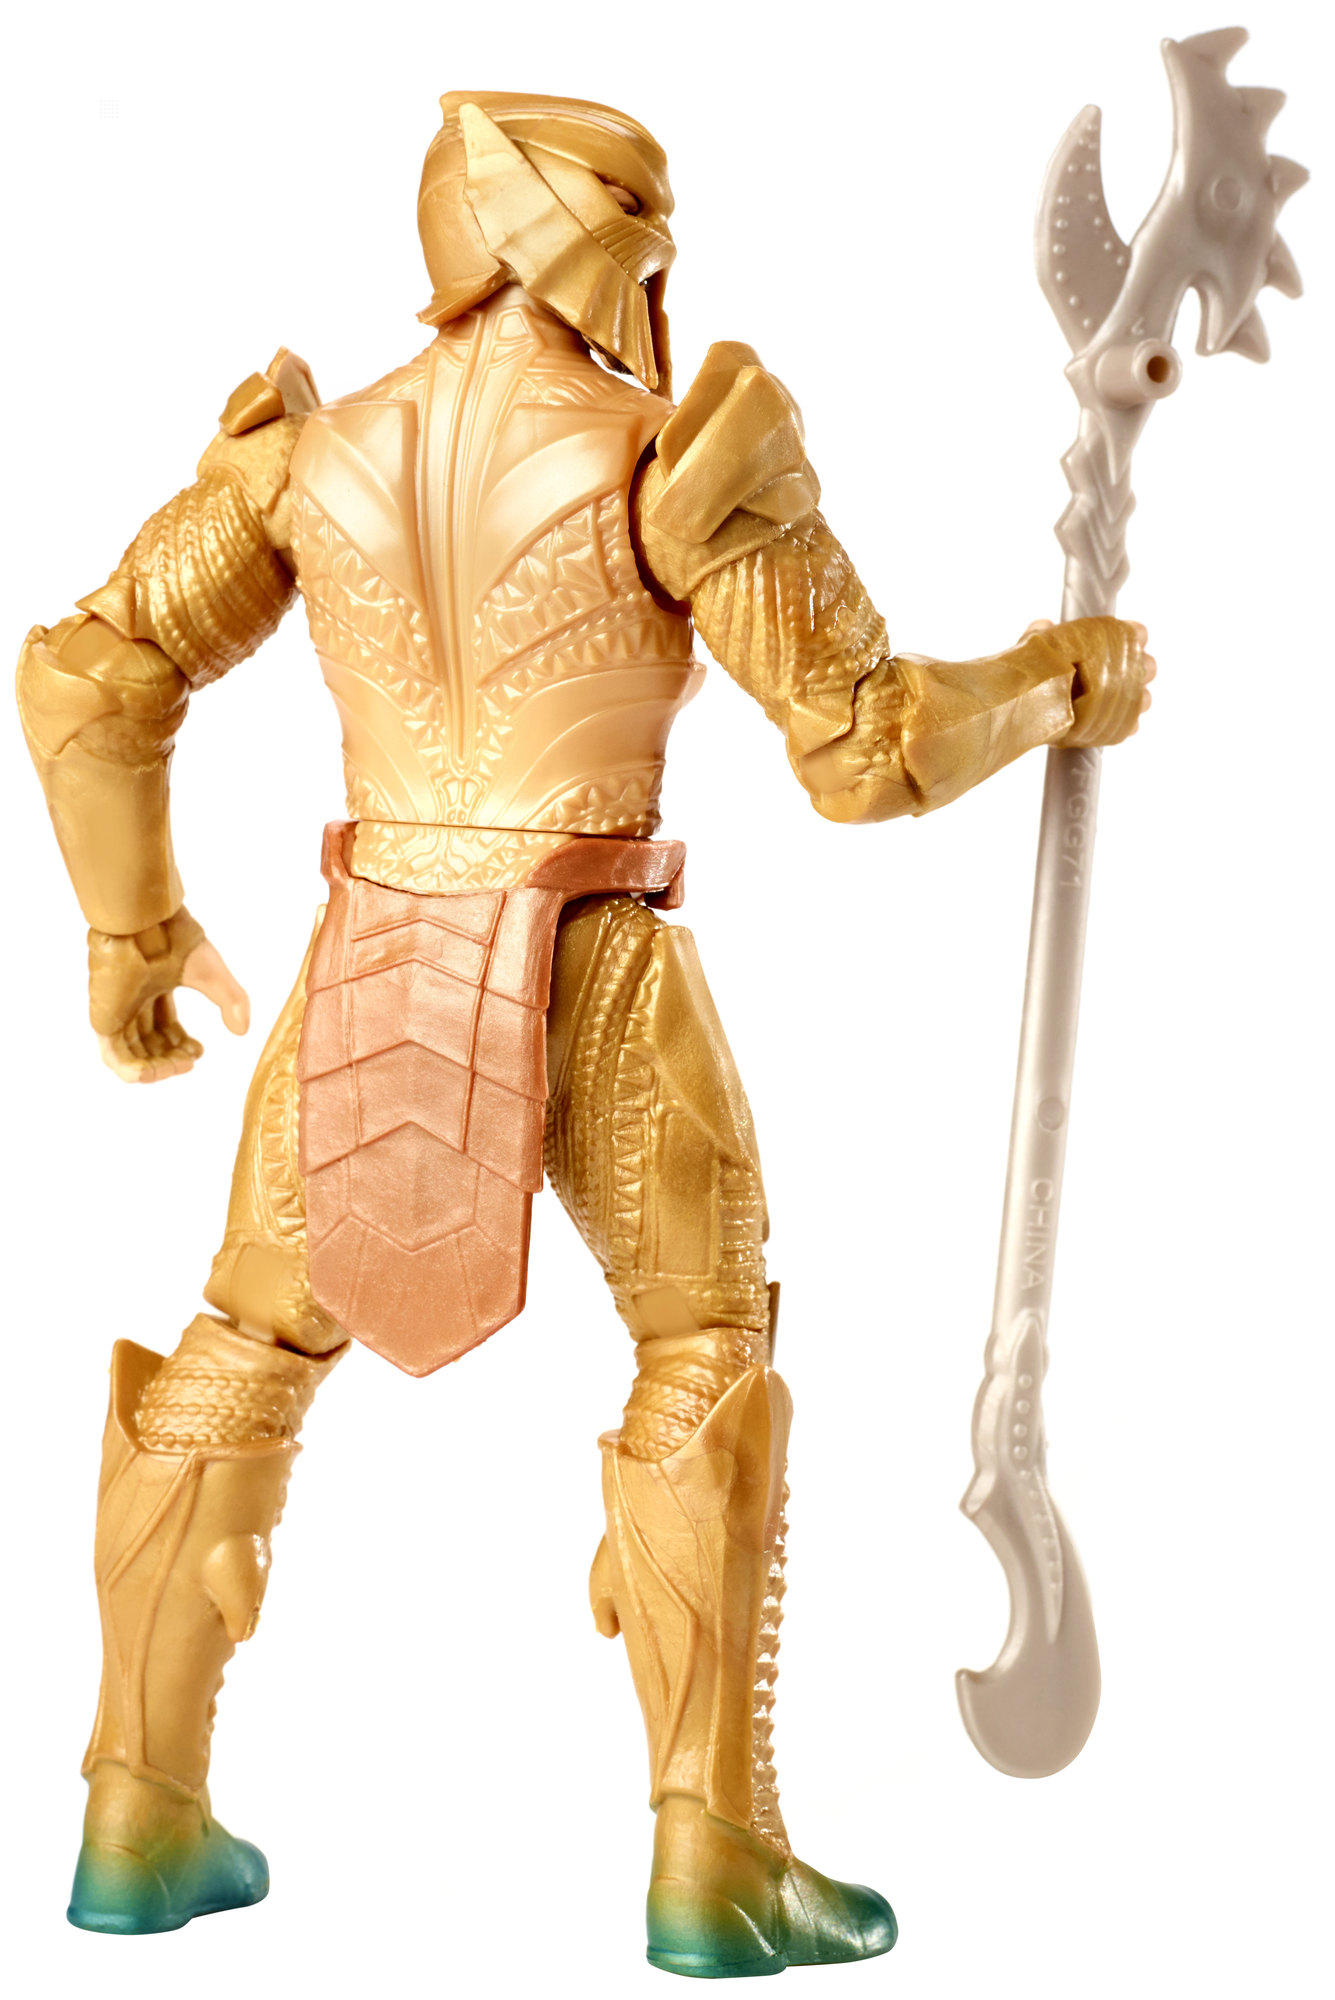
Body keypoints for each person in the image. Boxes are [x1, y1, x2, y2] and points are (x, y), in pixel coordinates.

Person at [16, 90, 1153, 1978]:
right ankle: (716, 1862)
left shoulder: (309, 462)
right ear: (603, 235)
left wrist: (129, 930)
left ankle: (136, 1817)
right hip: (596, 958)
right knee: (703, 1344)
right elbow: (869, 749)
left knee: (250, 1343)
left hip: (371, 955)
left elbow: (89, 673)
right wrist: (1065, 681)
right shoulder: (678, 457)